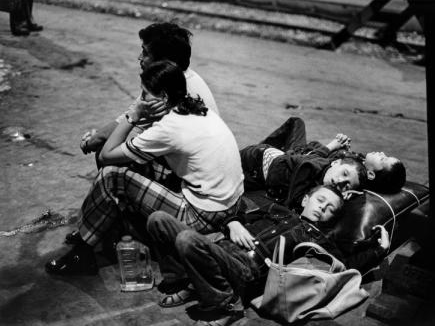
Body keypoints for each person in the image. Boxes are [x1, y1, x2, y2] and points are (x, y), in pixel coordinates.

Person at [45, 60, 244, 276]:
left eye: (145, 94)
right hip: (228, 205)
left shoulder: (169, 127)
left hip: (202, 214)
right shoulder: (196, 108)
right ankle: (98, 229)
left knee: (112, 176)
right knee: (135, 160)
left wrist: (132, 116)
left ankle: (82, 253)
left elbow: (106, 155)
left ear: (164, 98)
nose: (140, 100)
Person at [146, 185, 390, 325]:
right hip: (219, 246)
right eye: (320, 200)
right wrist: (233, 223)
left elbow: (345, 264)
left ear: (331, 219)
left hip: (247, 269)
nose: (321, 209)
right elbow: (239, 213)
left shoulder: (318, 238)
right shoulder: (277, 209)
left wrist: (379, 250)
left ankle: (227, 304)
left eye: (329, 210)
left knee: (187, 239)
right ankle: (184, 280)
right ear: (306, 199)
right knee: (158, 220)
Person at [79, 22, 219, 157]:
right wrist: (98, 136)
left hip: (193, 171)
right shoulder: (183, 75)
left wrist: (90, 142)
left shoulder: (166, 86)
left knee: (108, 153)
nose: (140, 57)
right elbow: (129, 118)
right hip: (206, 159)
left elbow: (128, 124)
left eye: (145, 53)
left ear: (164, 61)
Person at [253, 116, 406, 194]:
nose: (381, 153)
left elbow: (316, 162)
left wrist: (332, 147)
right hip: (305, 154)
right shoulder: (359, 162)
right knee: (296, 123)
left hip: (300, 157)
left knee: (296, 123)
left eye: (383, 159)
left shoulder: (352, 177)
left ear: (371, 174)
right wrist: (344, 147)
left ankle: (261, 153)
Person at [240, 138, 368, 210]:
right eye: (344, 173)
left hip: (268, 167)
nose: (340, 181)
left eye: (346, 185)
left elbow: (316, 154)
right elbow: (293, 201)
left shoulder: (325, 168)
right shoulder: (311, 168)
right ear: (336, 163)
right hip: (256, 161)